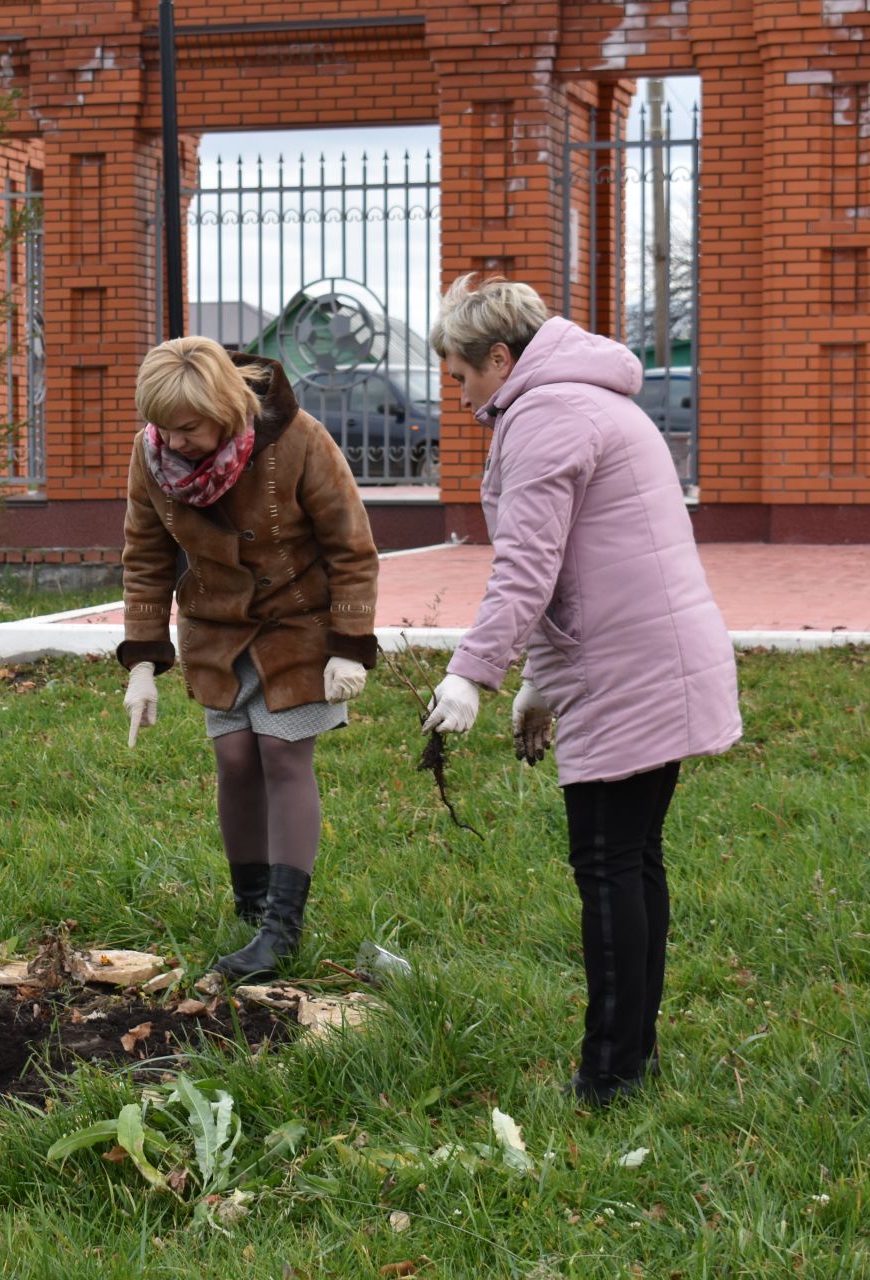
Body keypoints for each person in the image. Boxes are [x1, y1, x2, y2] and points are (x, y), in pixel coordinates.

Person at [419, 274, 741, 1107]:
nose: (459, 399)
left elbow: (529, 572)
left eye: (460, 377)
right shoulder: (589, 399)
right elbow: (584, 575)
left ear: (499, 357)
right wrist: (537, 688)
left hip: (629, 668)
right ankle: (633, 1056)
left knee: (607, 865)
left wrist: (472, 673)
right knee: (634, 860)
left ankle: (607, 1078)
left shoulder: (547, 415)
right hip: (650, 654)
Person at [119, 337, 379, 978]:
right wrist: (143, 663)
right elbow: (145, 557)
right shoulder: (153, 457)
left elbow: (351, 545)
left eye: (187, 428)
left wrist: (349, 647)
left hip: (298, 624)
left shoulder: (298, 440)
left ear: (225, 408)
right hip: (215, 628)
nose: (172, 442)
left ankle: (282, 929)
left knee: (283, 756)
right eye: (162, 427)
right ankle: (250, 907)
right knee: (236, 759)